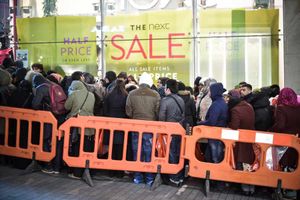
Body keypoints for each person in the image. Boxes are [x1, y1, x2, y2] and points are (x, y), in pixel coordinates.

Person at [125, 72, 160, 186]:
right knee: (148, 152)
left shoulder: (131, 94)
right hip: (150, 128)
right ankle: (149, 177)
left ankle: (138, 176)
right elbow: (158, 111)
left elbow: (128, 111)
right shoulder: (155, 94)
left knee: (137, 151)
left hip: (135, 126)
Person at [227, 89, 256, 195]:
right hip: (250, 137)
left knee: (240, 161)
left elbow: (234, 126)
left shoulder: (235, 109)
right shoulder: (249, 106)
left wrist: (228, 124)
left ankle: (244, 187)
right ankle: (251, 187)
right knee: (249, 162)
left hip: (241, 139)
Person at [64, 80, 95, 179]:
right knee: (86, 147)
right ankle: (86, 170)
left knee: (77, 148)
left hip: (76, 124)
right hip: (89, 125)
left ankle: (76, 172)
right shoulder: (91, 95)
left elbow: (66, 106)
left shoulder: (74, 94)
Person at [159, 79, 185, 186]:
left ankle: (173, 177)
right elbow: (183, 115)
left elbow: (161, 117)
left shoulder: (165, 101)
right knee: (178, 153)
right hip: (179, 130)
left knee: (171, 153)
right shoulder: (181, 100)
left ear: (168, 89)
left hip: (168, 131)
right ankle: (179, 176)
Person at [271, 87, 300, 171]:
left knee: (285, 162)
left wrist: (271, 130)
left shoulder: (281, 108)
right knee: (294, 161)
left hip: (285, 139)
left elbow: (280, 125)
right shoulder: (298, 107)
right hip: (297, 137)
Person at [198, 82, 228, 163]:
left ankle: (215, 175)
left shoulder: (217, 104)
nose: (209, 93)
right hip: (217, 134)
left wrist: (200, 123)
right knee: (210, 156)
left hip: (215, 135)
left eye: (210, 91)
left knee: (215, 158)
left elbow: (212, 121)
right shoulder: (221, 102)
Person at [104, 80, 128, 177]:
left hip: (110, 124)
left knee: (111, 148)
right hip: (122, 125)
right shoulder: (126, 96)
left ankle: (111, 171)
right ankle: (119, 172)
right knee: (121, 148)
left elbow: (105, 111)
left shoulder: (109, 96)